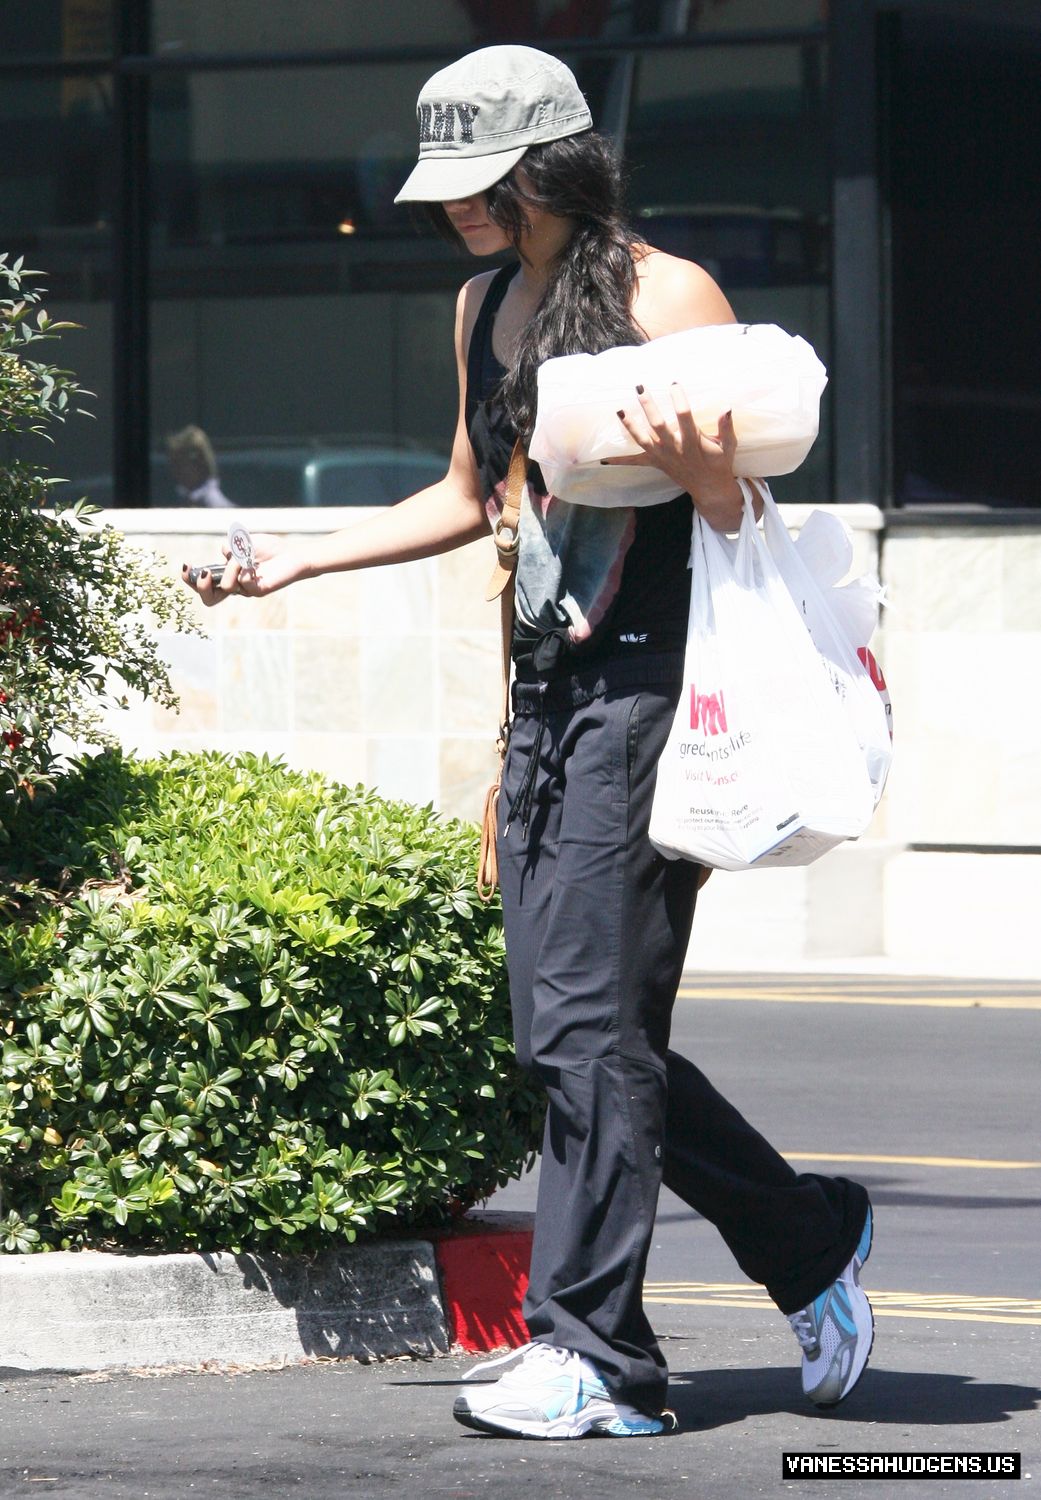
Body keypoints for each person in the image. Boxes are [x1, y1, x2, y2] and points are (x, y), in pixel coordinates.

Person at [183, 44, 874, 1441]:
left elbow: (743, 513)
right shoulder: (482, 302)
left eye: (481, 181)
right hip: (556, 695)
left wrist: (700, 472)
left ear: (551, 164)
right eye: (447, 186)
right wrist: (291, 566)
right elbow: (466, 495)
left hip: (664, 690)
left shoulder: (664, 294)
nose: (457, 207)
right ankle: (803, 1240)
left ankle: (602, 1363)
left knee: (582, 1030)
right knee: (571, 1030)